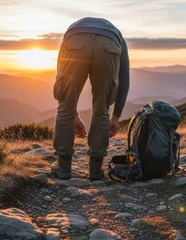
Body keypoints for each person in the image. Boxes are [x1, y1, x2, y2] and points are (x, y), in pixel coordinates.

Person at [51, 17, 130, 180]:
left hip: (75, 39)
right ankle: (95, 169)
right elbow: (124, 78)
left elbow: (61, 82)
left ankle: (63, 167)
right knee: (102, 110)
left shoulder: (71, 29)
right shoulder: (118, 35)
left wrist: (72, 114)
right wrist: (116, 117)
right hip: (109, 43)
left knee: (65, 107)